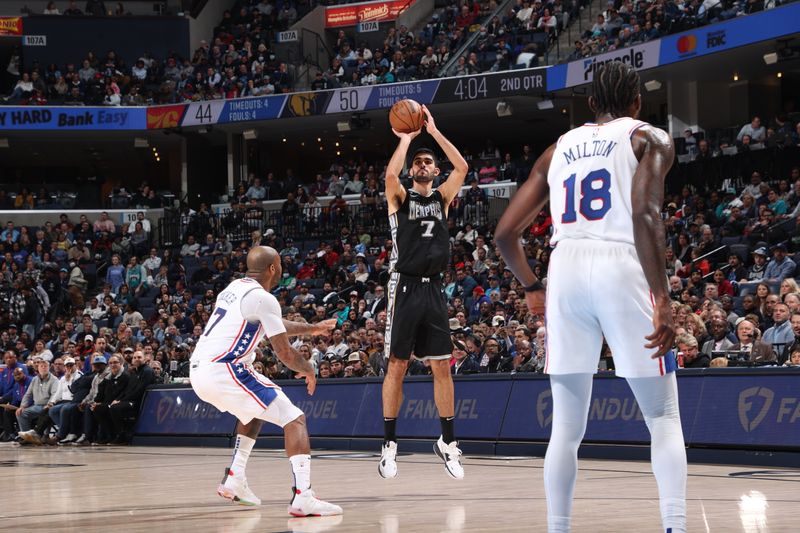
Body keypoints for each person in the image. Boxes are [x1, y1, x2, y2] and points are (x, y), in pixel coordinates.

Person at [495, 61, 686, 533]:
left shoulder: (558, 148)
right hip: (620, 261)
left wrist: (532, 287)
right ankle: (675, 527)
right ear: (638, 102)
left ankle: (558, 528)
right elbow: (645, 214)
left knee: (566, 426)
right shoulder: (649, 138)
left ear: (592, 104)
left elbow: (504, 235)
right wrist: (662, 298)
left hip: (566, 268)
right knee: (662, 415)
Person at [190, 246, 342, 516]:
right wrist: (308, 368)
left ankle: (235, 477)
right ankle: (303, 497)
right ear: (273, 268)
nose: (283, 268)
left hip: (199, 370)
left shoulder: (235, 288)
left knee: (254, 411)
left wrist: (311, 328)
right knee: (295, 419)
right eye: (281, 264)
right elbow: (284, 354)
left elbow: (271, 321)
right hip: (225, 369)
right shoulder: (263, 298)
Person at [379, 105, 468, 480]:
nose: (422, 164)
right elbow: (388, 175)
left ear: (435, 171)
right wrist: (406, 140)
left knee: (441, 366)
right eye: (417, 162)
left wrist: (434, 131)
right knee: (397, 364)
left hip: (434, 290)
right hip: (406, 285)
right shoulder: (402, 198)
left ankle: (447, 441)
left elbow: (461, 167)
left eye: (428, 161)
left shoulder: (442, 198)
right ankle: (389, 444)